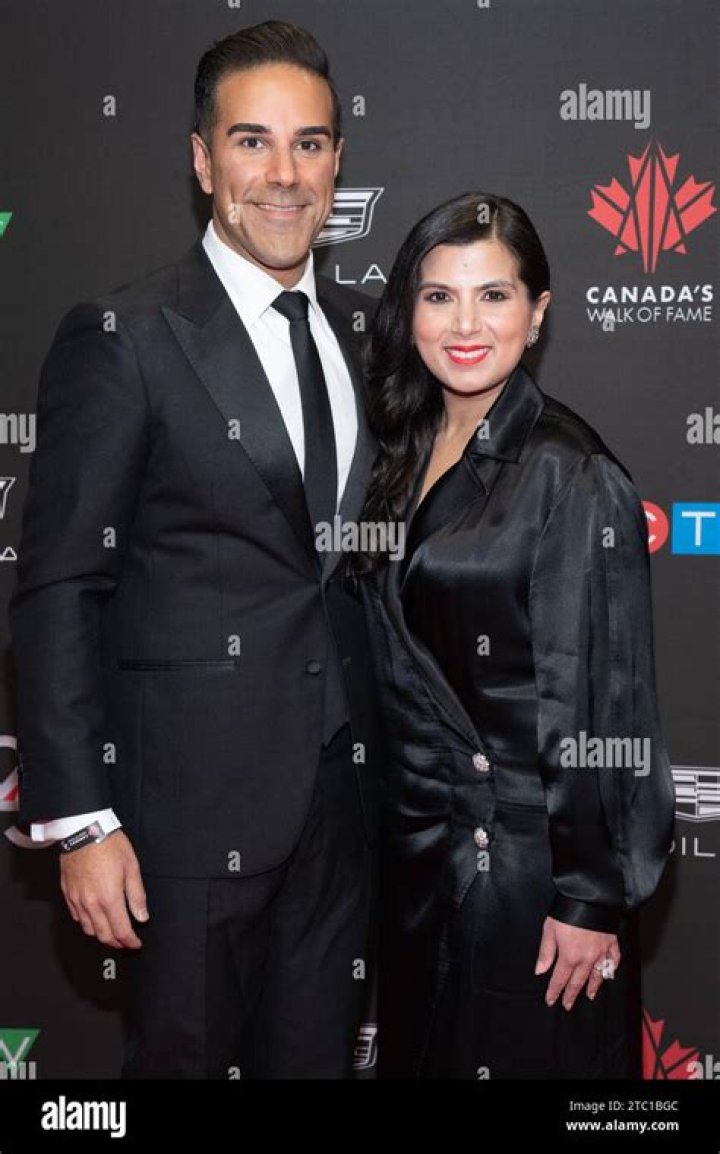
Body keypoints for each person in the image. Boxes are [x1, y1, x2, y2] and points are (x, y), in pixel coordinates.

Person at [9, 21, 381, 1079]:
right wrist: (82, 822)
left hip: (345, 811)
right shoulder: (124, 336)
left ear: (338, 163)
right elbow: (60, 586)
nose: (284, 173)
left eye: (310, 144)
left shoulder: (371, 332)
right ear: (202, 159)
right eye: (252, 141)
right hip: (182, 821)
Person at [357, 191, 675, 1079]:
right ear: (409, 311)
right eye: (440, 296)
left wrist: (589, 900)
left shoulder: (570, 474)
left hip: (529, 882)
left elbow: (603, 702)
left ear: (537, 315)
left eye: (494, 296)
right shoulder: (404, 447)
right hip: (422, 863)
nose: (466, 324)